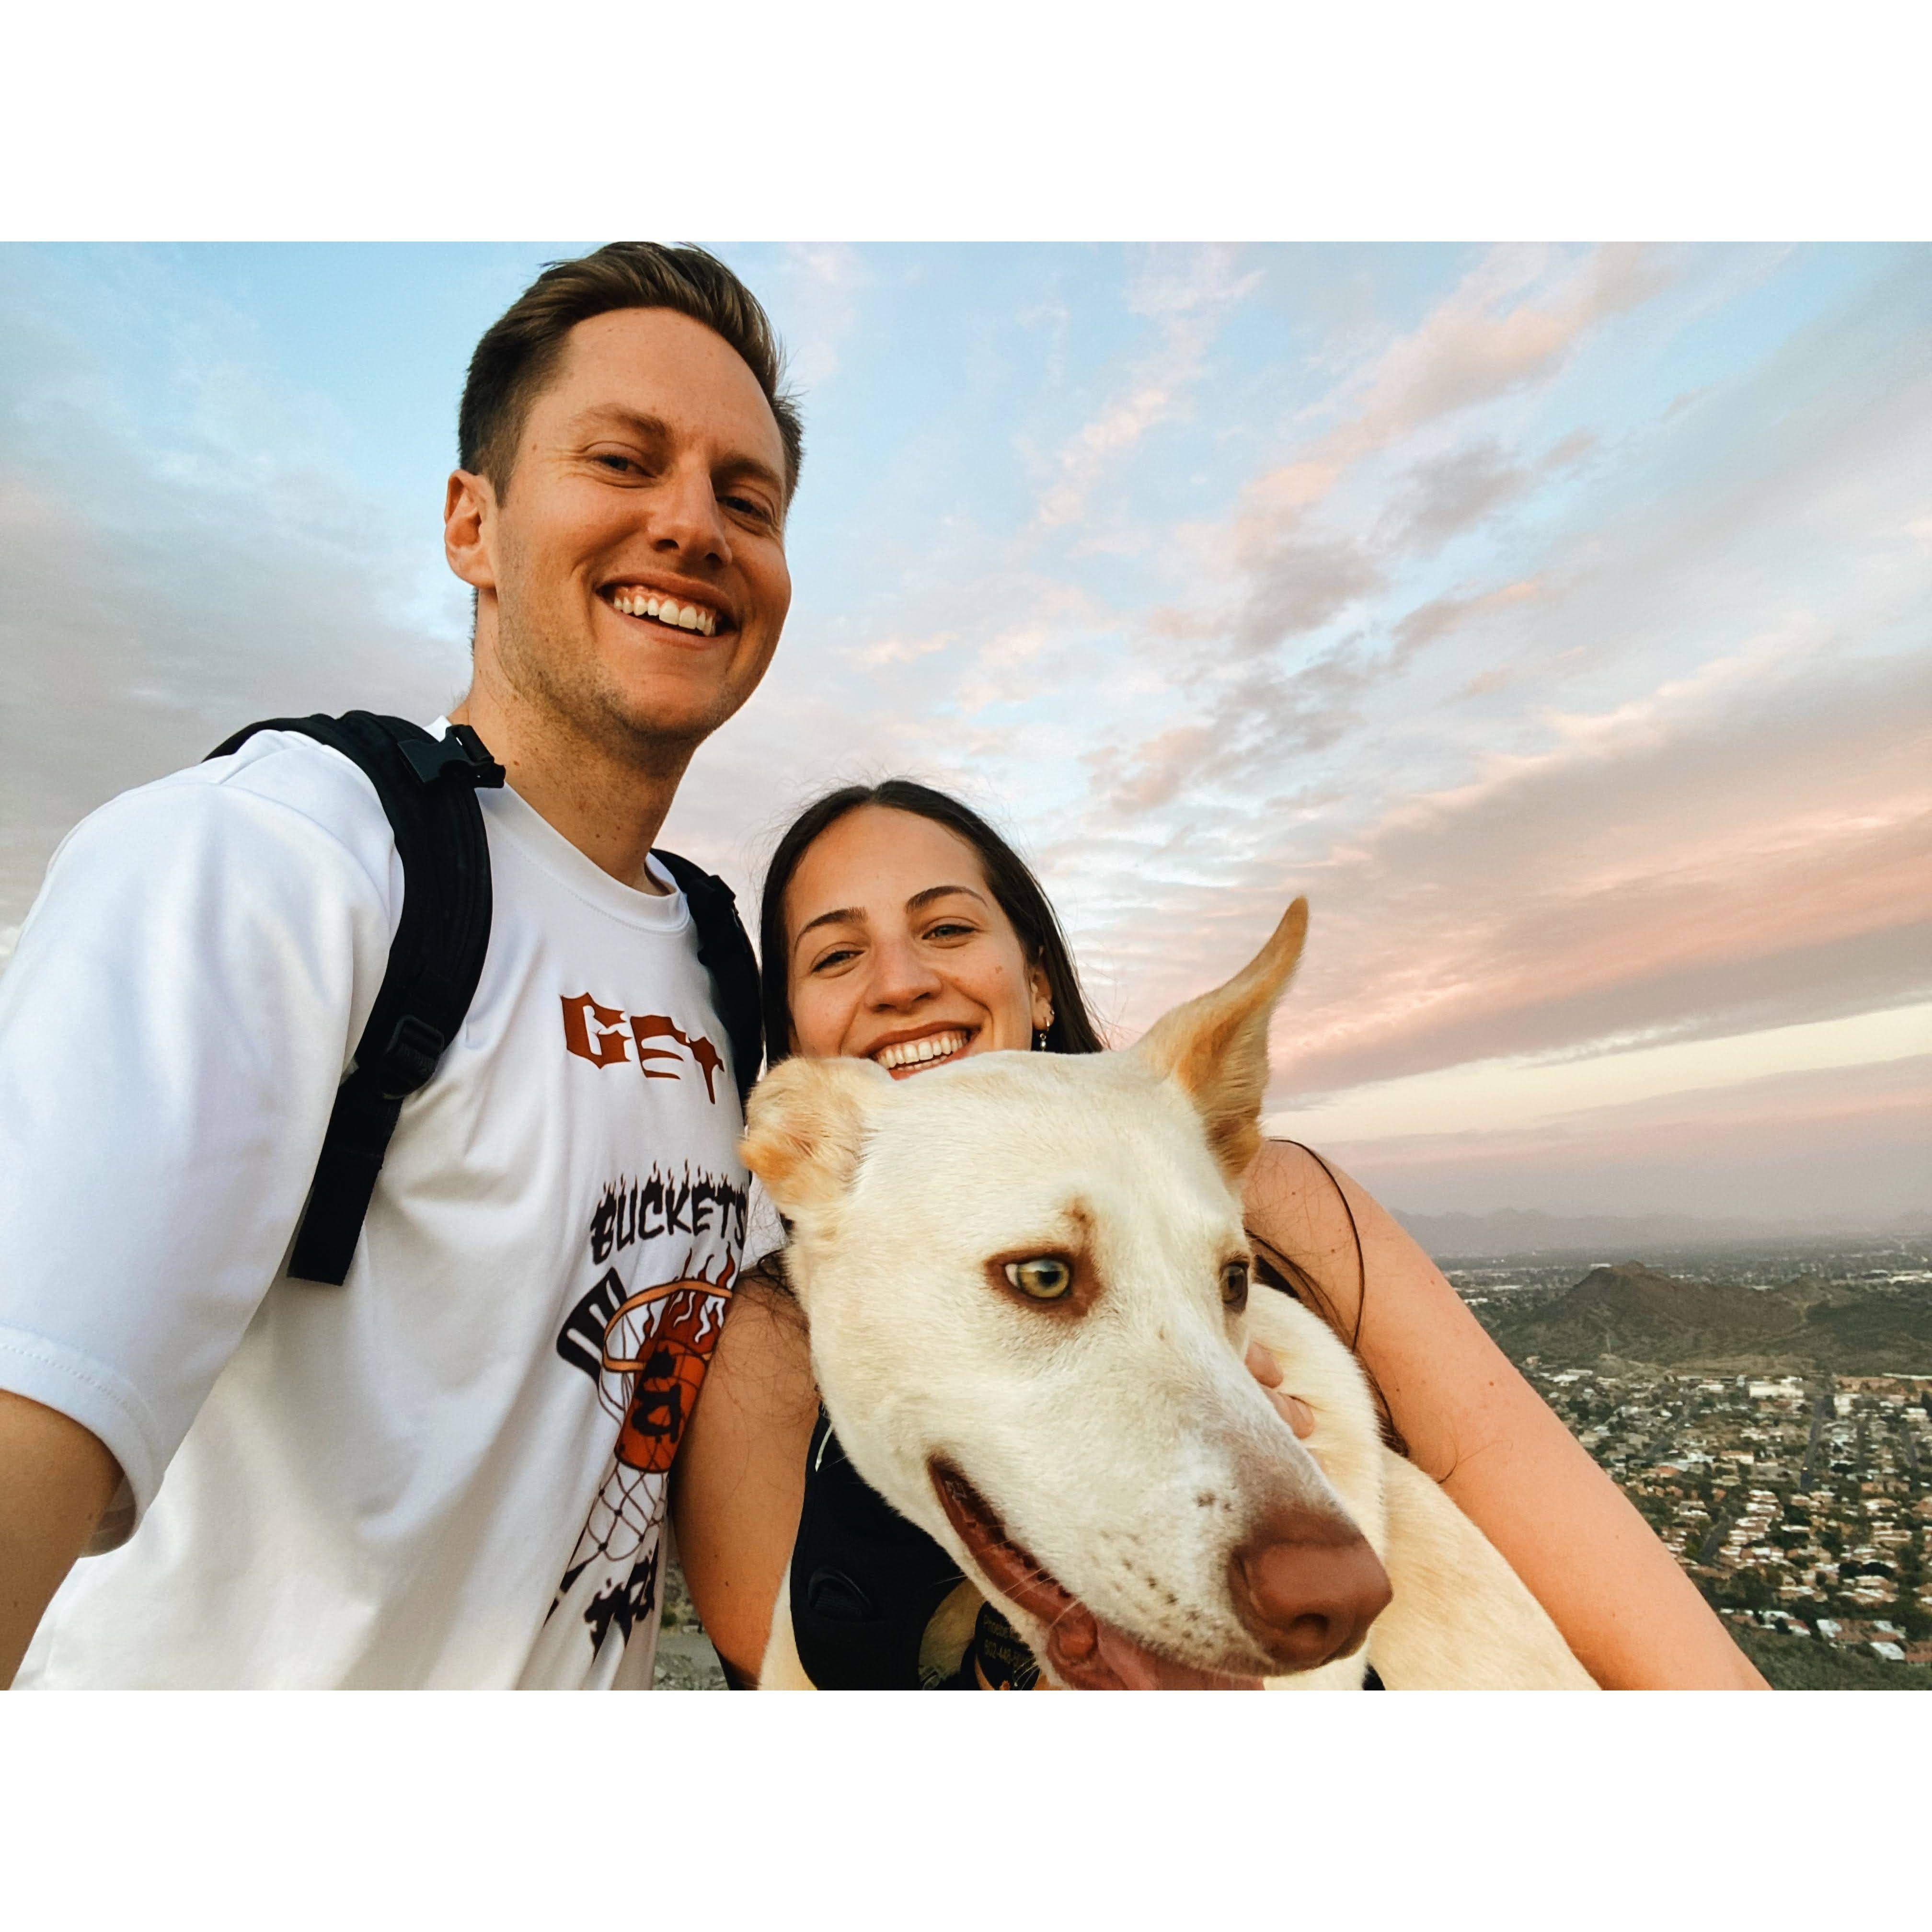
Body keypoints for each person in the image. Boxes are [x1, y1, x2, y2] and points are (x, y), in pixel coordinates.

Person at [0, 243, 799, 1688]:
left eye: (748, 499)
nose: (693, 525)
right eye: (623, 460)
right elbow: (28, 1411)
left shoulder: (716, 966)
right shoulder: (278, 863)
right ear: (470, 525)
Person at [672, 780, 1770, 1690]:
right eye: (835, 957)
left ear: (1038, 979)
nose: (905, 981)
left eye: (948, 928)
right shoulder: (766, 1335)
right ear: (795, 1064)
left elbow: (1546, 1517)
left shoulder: (1266, 1193)